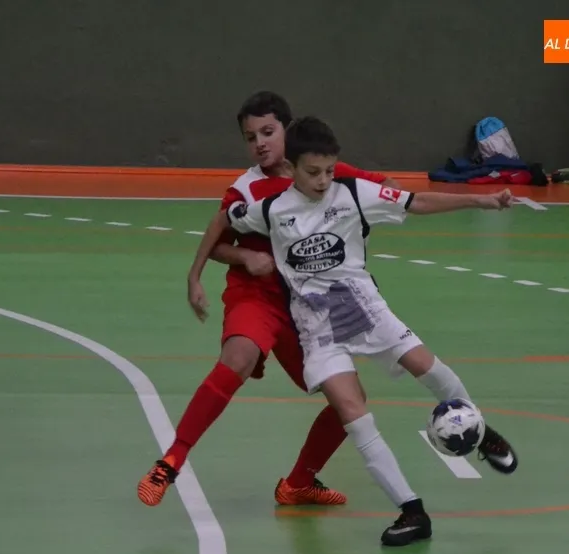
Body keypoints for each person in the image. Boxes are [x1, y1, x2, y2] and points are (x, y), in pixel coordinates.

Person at [185, 115, 518, 546]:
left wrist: (483, 201)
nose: (324, 180)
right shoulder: (270, 210)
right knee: (352, 414)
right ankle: (412, 512)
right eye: (313, 172)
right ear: (291, 168)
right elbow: (223, 221)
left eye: (329, 170)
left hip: (365, 310)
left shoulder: (354, 193)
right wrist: (197, 273)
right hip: (317, 328)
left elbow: (416, 202)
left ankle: (481, 432)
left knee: (428, 368)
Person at [137, 91, 398, 509]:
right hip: (256, 295)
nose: (259, 143)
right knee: (238, 356)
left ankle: (298, 484)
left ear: (287, 131)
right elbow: (217, 237)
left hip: (307, 307)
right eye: (250, 137)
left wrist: (360, 222)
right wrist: (234, 260)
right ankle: (171, 461)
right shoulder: (246, 189)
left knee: (349, 402)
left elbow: (384, 187)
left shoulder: (317, 169)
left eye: (267, 132)